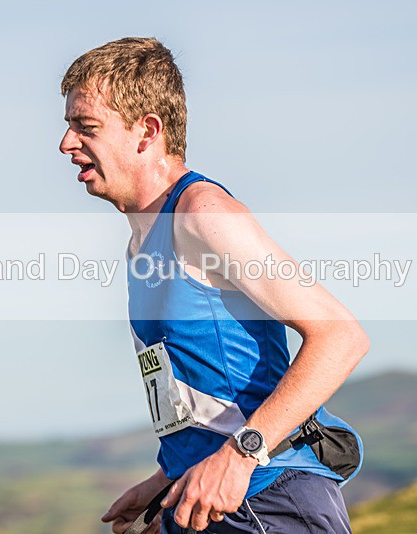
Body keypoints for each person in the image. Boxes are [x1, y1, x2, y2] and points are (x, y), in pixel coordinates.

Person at [59, 37, 369, 534]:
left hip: (270, 497)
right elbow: (206, 386)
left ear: (148, 131)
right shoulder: (142, 238)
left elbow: (342, 336)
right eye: (69, 126)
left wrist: (241, 453)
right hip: (206, 501)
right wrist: (166, 479)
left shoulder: (203, 214)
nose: (67, 144)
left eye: (85, 127)